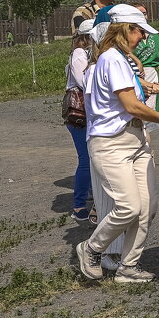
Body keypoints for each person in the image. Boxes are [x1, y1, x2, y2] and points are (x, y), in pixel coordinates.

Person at [73, 8, 159, 282]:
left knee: (146, 207)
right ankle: (92, 249)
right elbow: (130, 105)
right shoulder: (112, 59)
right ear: (126, 30)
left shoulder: (120, 60)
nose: (143, 38)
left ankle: (129, 266)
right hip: (112, 144)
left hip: (134, 138)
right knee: (128, 207)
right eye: (140, 32)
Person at [65, 18, 95, 224]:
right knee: (85, 159)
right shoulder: (79, 54)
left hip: (87, 114)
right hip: (79, 114)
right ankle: (79, 205)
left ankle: (91, 197)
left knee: (92, 158)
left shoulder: (90, 54)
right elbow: (85, 82)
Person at [132, 4, 159, 111]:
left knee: (150, 107)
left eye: (144, 13)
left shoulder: (154, 36)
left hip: (151, 75)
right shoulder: (127, 37)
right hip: (133, 74)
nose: (143, 16)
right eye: (138, 13)